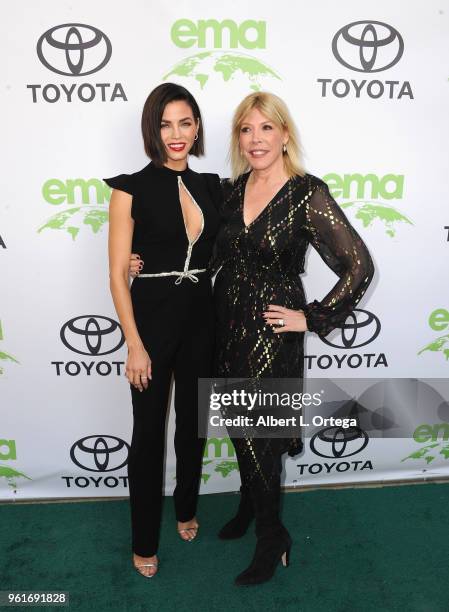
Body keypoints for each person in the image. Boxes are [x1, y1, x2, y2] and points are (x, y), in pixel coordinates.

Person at [129, 91, 374, 585]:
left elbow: (359, 264)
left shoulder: (307, 193)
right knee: (241, 426)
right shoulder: (232, 189)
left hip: (270, 329)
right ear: (238, 137)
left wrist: (315, 317)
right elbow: (197, 246)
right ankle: (247, 503)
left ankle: (271, 536)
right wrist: (143, 263)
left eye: (267, 128)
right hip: (221, 321)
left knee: (262, 434)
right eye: (246, 129)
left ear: (285, 135)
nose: (256, 139)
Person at [104, 83, 221, 578]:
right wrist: (133, 343)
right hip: (150, 323)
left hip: (202, 318)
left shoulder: (215, 185)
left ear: (197, 128)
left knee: (193, 427)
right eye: (166, 124)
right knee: (148, 435)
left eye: (186, 122)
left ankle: (187, 507)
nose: (176, 134)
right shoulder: (129, 187)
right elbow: (115, 273)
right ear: (153, 129)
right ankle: (144, 539)